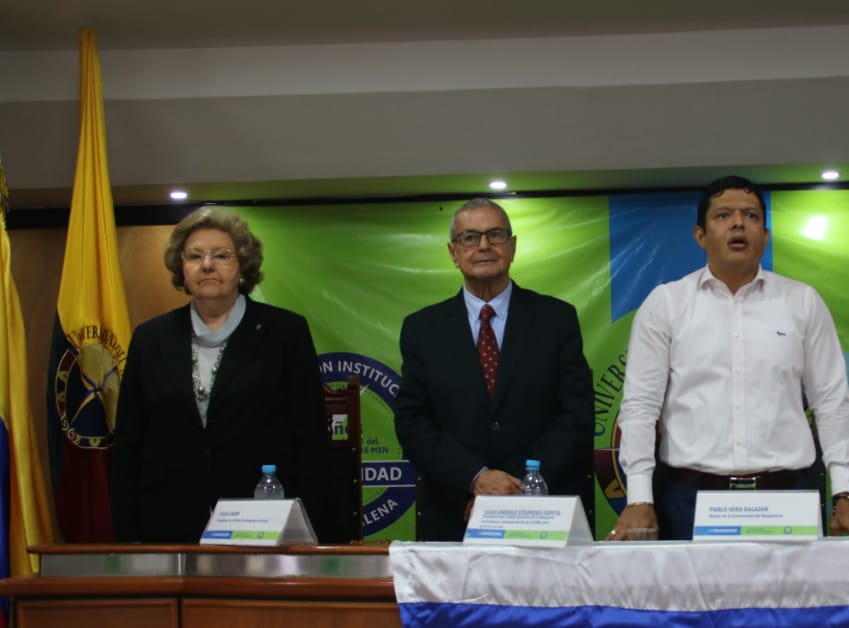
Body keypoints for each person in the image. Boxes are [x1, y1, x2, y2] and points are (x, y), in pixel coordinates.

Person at [609, 175, 849, 540]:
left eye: (751, 216)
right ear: (700, 236)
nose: (738, 223)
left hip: (788, 496)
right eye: (723, 215)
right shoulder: (667, 304)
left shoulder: (802, 302)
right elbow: (641, 407)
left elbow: (831, 402)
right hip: (690, 499)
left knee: (792, 598)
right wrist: (639, 497)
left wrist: (845, 490)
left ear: (765, 236)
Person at [111, 206, 339, 543]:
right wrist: (126, 536)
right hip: (167, 524)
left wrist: (313, 534)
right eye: (194, 256)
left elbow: (310, 439)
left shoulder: (284, 333)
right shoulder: (150, 338)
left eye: (221, 255)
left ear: (243, 266)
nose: (207, 265)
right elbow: (129, 443)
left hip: (261, 526)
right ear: (181, 267)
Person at [394, 199, 593, 541]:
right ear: (453, 252)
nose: (483, 245)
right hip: (454, 512)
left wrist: (515, 485)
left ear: (512, 247)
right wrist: (475, 478)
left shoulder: (556, 319)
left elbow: (577, 415)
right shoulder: (422, 329)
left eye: (495, 235)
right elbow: (412, 422)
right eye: (470, 237)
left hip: (542, 512)